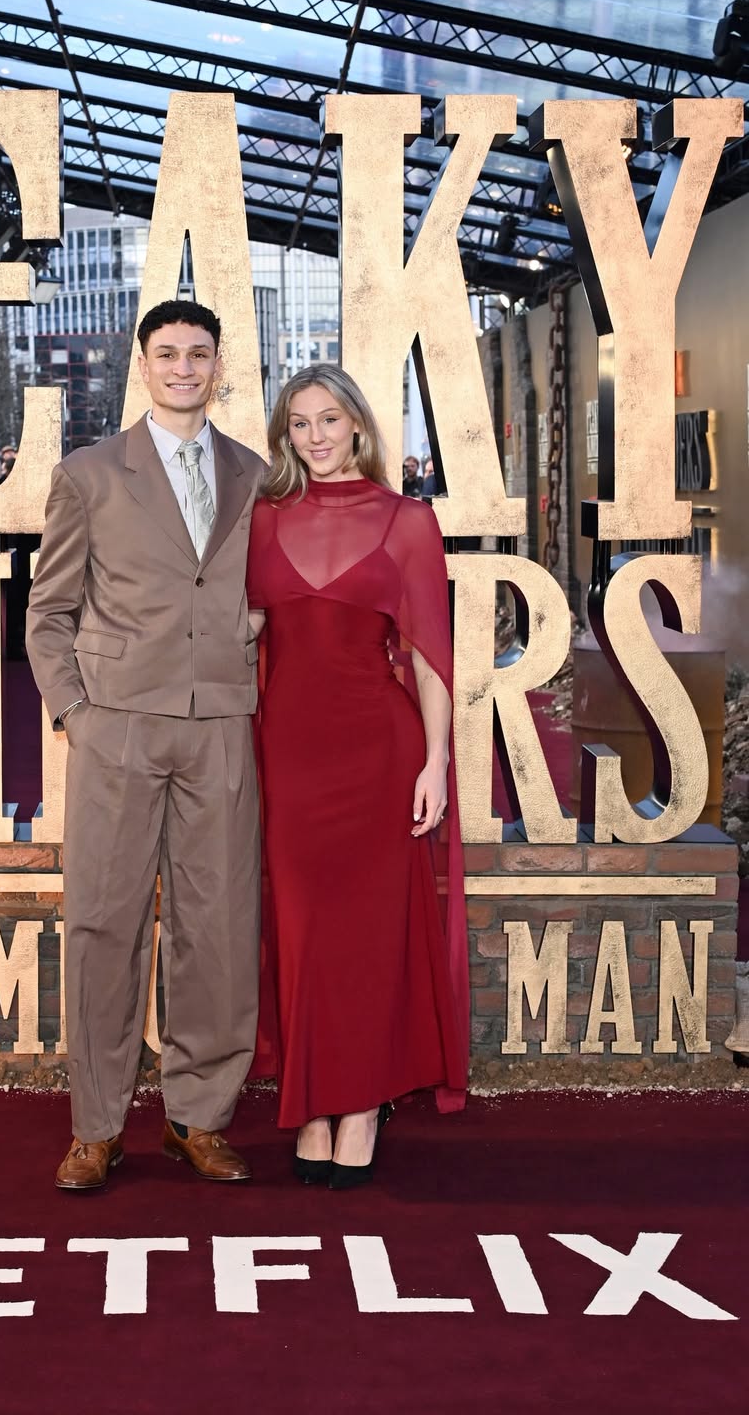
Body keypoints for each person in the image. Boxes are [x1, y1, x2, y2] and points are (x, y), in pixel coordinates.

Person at [27, 299, 263, 1192]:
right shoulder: (89, 473)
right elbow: (48, 612)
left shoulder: (253, 473)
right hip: (117, 726)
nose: (183, 368)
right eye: (167, 354)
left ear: (216, 363)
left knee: (221, 929)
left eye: (198, 354)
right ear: (143, 363)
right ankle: (96, 1126)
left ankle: (198, 1119)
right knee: (102, 923)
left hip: (223, 731)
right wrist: (77, 715)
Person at [246, 364, 468, 1190]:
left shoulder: (408, 521)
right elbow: (244, 627)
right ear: (284, 435)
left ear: (360, 427)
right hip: (290, 754)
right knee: (302, 930)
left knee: (370, 934)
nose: (315, 437)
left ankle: (363, 1104)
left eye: (329, 420)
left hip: (380, 750)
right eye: (299, 423)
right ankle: (312, 1100)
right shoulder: (264, 521)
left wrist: (436, 763)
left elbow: (433, 657)